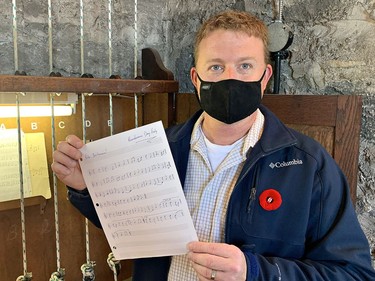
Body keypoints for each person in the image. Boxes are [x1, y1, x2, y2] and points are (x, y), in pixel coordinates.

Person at [52, 10, 375, 281]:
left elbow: (353, 273)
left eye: (245, 66)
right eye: (216, 67)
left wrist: (254, 271)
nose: (230, 79)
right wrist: (86, 187)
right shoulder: (156, 150)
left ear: (265, 77)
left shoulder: (309, 165)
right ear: (196, 78)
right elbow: (132, 225)